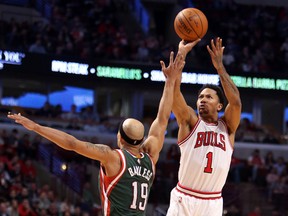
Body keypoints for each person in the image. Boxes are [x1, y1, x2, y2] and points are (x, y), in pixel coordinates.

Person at [7, 45, 198, 216]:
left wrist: (36, 127)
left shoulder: (112, 157)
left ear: (119, 138)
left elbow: (72, 143)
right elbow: (162, 119)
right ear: (140, 141)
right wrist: (170, 81)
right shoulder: (151, 156)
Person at [166, 37, 242, 216]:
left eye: (209, 97)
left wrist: (219, 67)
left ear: (219, 106)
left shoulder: (228, 127)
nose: (203, 100)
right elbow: (174, 95)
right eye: (200, 97)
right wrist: (181, 55)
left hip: (212, 202)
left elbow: (236, 102)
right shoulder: (190, 121)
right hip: (184, 197)